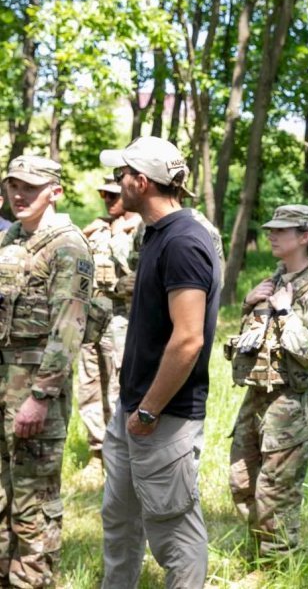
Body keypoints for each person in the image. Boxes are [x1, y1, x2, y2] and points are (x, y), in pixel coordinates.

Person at [98, 136, 221, 589]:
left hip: (163, 415)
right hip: (134, 410)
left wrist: (149, 410)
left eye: (120, 176)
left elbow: (188, 339)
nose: (116, 183)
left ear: (141, 182)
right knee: (119, 516)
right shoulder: (156, 235)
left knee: (174, 532)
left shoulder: (185, 241)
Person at [0, 155, 92, 587]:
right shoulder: (10, 241)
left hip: (35, 394)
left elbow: (68, 328)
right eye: (13, 185)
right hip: (3, 386)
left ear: (54, 192)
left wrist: (40, 397)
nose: (19, 194)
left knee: (33, 505)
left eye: (30, 188)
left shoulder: (68, 247)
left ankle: (31, 582)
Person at [227, 204, 308, 555]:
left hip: (291, 401)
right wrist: (249, 304)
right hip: (258, 395)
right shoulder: (273, 281)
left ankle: (279, 563)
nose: (271, 234)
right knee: (242, 480)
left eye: (281, 230)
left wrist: (287, 312)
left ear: (305, 237)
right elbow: (250, 342)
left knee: (276, 490)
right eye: (270, 229)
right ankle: (261, 548)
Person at [76, 177, 141, 480]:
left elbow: (136, 279)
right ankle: (96, 452)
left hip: (123, 321)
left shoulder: (142, 229)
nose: (107, 199)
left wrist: (118, 237)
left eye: (112, 194)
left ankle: (119, 454)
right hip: (92, 318)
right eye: (103, 193)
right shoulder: (98, 227)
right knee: (89, 385)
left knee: (118, 386)